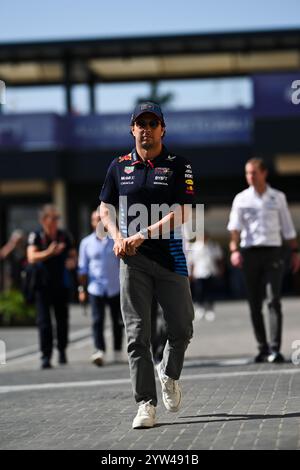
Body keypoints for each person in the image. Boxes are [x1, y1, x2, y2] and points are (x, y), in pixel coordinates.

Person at [99, 101, 195, 429]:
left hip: (171, 258)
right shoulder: (118, 166)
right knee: (137, 334)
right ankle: (145, 404)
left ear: (162, 129)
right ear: (132, 129)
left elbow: (184, 213)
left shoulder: (179, 165)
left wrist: (143, 233)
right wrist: (114, 236)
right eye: (140, 123)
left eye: (153, 123)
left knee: (182, 328)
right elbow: (105, 207)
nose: (146, 128)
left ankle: (168, 374)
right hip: (133, 262)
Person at [227, 158, 300, 363]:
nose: (250, 177)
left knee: (274, 300)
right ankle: (262, 347)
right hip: (249, 253)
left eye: (253, 173)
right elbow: (234, 228)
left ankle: (275, 349)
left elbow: (287, 228)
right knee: (254, 303)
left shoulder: (278, 198)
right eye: (247, 173)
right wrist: (234, 250)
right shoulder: (241, 199)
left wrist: (295, 252)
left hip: (273, 252)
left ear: (264, 173)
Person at [27, 204, 77, 369]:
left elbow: (73, 257)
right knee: (44, 322)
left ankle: (62, 351)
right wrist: (49, 252)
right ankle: (45, 356)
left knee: (62, 320)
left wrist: (71, 262)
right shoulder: (36, 236)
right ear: (44, 220)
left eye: (58, 218)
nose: (56, 221)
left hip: (60, 284)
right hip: (42, 285)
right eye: (53, 218)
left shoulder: (64, 236)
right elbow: (31, 257)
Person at [78, 210, 123, 366]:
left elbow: (122, 264)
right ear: (91, 223)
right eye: (95, 219)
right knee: (97, 320)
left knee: (117, 321)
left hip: (115, 287)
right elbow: (82, 269)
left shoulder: (115, 239)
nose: (98, 222)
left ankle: (117, 350)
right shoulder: (86, 243)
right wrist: (81, 290)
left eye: (100, 219)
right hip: (95, 288)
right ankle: (99, 350)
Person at [188, 232, 224, 321]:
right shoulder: (195, 247)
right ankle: (200, 308)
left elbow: (219, 259)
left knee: (210, 291)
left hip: (211, 272)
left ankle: (210, 309)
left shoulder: (213, 246)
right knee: (199, 291)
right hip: (199, 273)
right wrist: (191, 273)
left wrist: (220, 270)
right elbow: (192, 262)